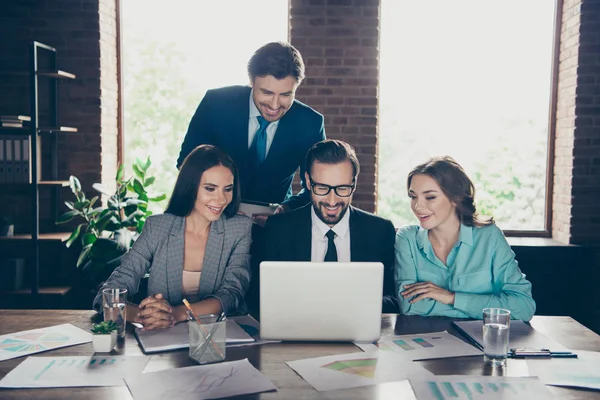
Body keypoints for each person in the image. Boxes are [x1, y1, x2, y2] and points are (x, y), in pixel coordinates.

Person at [93, 145, 253, 330]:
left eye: (228, 189)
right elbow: (109, 293)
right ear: (190, 187)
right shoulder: (158, 227)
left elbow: (232, 294)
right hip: (163, 338)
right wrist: (144, 315)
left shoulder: (239, 229)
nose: (221, 199)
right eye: (210, 189)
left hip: (218, 337)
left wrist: (177, 313)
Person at [176, 41, 326, 223]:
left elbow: (319, 186)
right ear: (251, 81)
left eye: (286, 95)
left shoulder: (310, 123)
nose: (274, 104)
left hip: (273, 227)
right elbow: (187, 164)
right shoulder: (216, 104)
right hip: (212, 220)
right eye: (267, 93)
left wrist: (287, 209)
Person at [261, 140, 399, 313]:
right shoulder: (278, 229)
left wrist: (353, 302)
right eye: (322, 188)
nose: (332, 201)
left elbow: (394, 300)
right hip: (296, 333)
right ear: (308, 182)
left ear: (354, 184)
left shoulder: (380, 231)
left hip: (358, 334)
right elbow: (261, 297)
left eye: (342, 188)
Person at [394, 156, 536, 321]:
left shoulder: (489, 237)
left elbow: (523, 307)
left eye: (430, 197)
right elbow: (410, 306)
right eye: (413, 196)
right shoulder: (407, 239)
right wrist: (485, 309)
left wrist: (451, 297)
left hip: (483, 342)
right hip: (427, 341)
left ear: (455, 198)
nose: (417, 206)